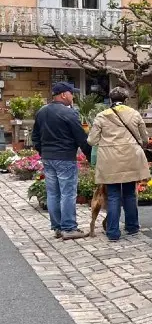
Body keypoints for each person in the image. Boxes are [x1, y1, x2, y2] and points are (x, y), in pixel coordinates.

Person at [88, 88, 150, 241]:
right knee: (129, 193)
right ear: (126, 99)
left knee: (114, 195)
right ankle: (132, 227)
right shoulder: (134, 114)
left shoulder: (102, 116)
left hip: (109, 160)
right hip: (131, 157)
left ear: (110, 99)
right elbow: (145, 138)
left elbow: (91, 140)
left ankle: (113, 232)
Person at [32, 82, 92, 240]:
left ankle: (57, 227)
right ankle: (69, 227)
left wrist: (43, 151)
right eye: (72, 93)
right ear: (64, 94)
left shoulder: (42, 111)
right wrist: (90, 155)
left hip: (48, 157)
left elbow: (35, 137)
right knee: (68, 193)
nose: (73, 96)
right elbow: (81, 137)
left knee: (52, 193)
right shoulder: (68, 113)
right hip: (65, 157)